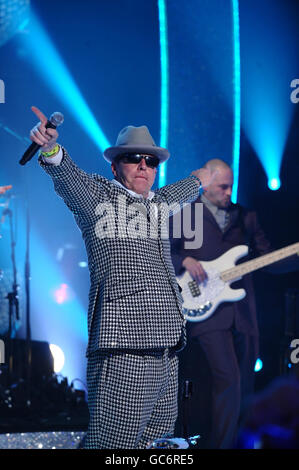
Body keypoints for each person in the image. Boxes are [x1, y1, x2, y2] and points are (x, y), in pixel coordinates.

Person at [28, 106, 213, 449]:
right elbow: (68, 176)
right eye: (133, 158)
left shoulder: (157, 203)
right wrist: (52, 150)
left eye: (151, 160)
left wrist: (203, 177)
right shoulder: (99, 196)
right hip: (124, 348)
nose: (144, 165)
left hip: (167, 348)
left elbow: (181, 190)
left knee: (157, 446)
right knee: (112, 446)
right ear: (115, 166)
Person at [170, 158, 298, 449]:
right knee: (228, 379)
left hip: (243, 312)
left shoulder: (247, 216)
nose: (229, 192)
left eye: (231, 186)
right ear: (206, 185)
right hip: (206, 313)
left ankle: (242, 442)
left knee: (245, 385)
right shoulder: (186, 214)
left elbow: (267, 260)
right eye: (222, 187)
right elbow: (161, 250)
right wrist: (184, 260)